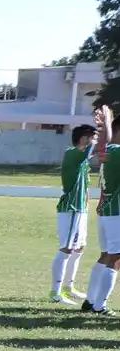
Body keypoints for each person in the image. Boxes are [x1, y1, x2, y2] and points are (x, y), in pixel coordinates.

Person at [53, 119, 101, 304]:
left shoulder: (81, 159)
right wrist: (105, 127)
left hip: (80, 210)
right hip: (71, 209)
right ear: (83, 139)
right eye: (92, 139)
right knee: (66, 248)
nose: (95, 143)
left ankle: (69, 287)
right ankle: (55, 292)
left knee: (79, 248)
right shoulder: (73, 153)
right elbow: (93, 149)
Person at [81, 105, 116, 314]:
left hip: (105, 210)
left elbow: (104, 145)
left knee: (106, 256)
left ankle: (91, 300)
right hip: (116, 212)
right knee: (115, 258)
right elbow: (106, 144)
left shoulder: (111, 154)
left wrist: (104, 125)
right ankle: (99, 305)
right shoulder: (116, 152)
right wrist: (106, 125)